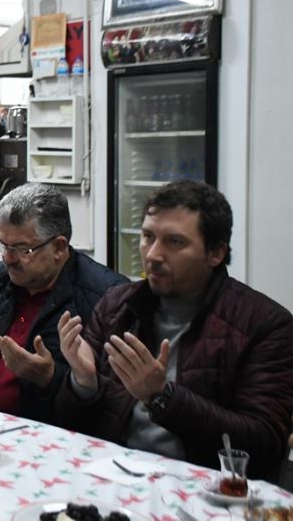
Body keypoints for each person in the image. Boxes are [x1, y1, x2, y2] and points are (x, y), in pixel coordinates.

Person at [56, 181, 293, 480]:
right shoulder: (117, 305)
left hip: (204, 489)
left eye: (175, 242)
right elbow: (69, 421)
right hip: (113, 476)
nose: (153, 254)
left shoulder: (264, 324)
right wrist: (82, 382)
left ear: (216, 253)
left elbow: (264, 443)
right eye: (147, 237)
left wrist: (161, 396)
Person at [0, 183, 126, 422]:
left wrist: (50, 377)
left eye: (23, 249)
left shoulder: (106, 298)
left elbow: (108, 409)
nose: (8, 259)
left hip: (41, 437)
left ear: (59, 247)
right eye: (4, 245)